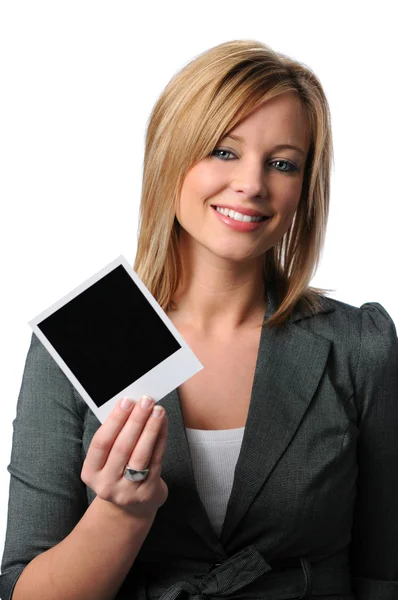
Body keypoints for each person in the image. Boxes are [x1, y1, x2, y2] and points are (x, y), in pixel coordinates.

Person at [1, 38, 397, 600]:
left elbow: (384, 575)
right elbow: (22, 589)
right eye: (224, 151)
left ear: (304, 190)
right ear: (171, 156)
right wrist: (121, 515)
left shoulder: (359, 345)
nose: (253, 183)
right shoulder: (89, 335)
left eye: (282, 163)